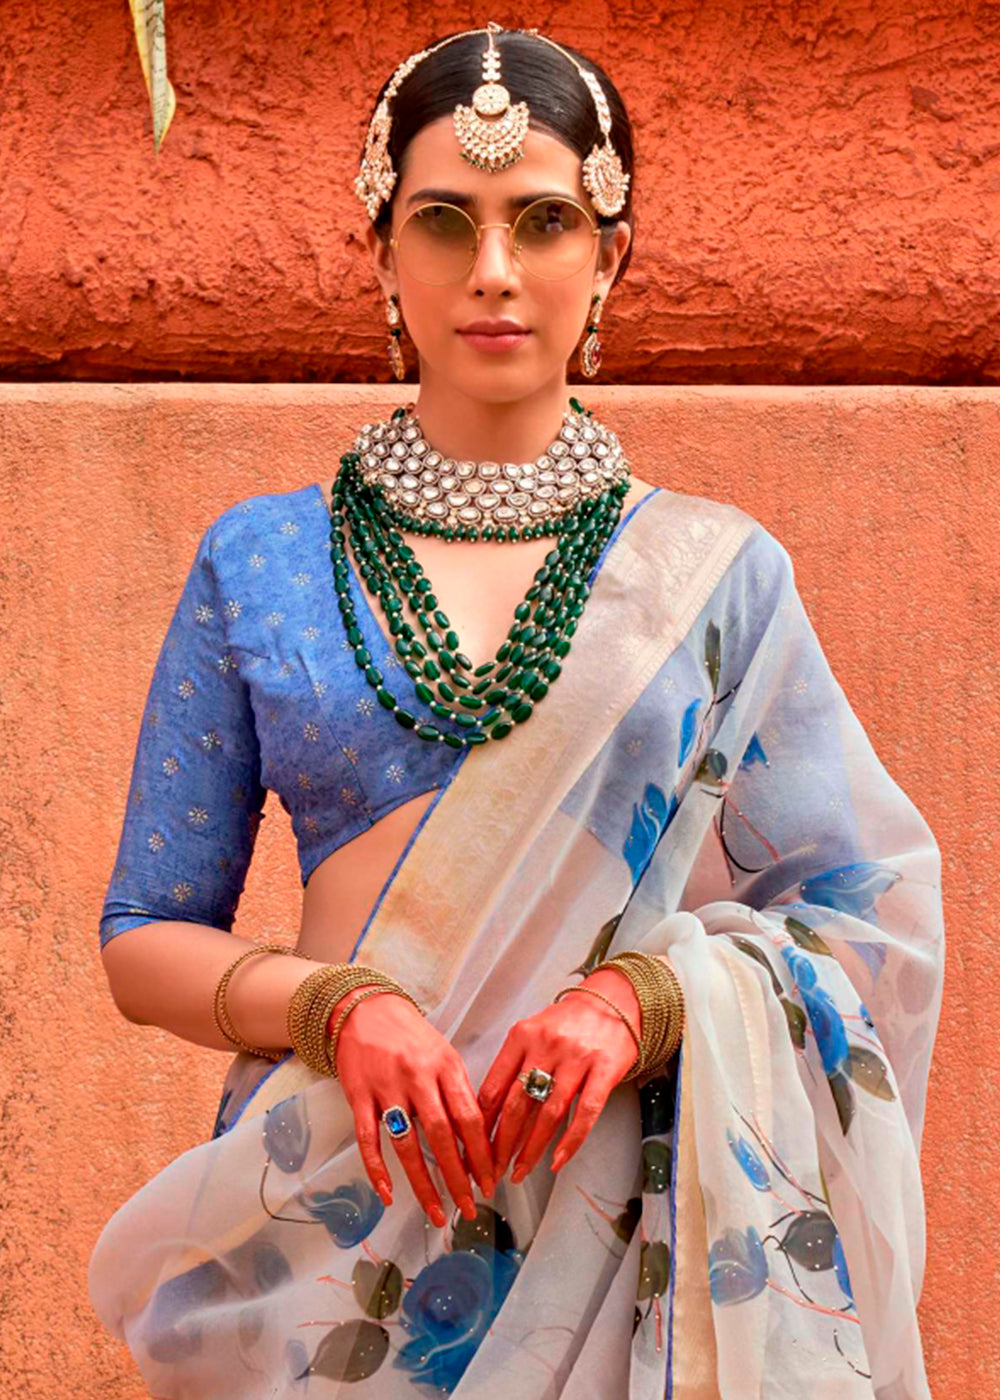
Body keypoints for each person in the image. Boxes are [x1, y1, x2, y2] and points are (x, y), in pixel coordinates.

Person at [88, 22, 944, 1400]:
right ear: (382, 254)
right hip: (335, 1222)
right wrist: (337, 1007)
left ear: (609, 257)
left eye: (543, 220)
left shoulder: (716, 579)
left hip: (621, 1240)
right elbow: (145, 937)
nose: (493, 269)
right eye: (445, 222)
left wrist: (638, 1000)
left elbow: (863, 915)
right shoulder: (263, 560)